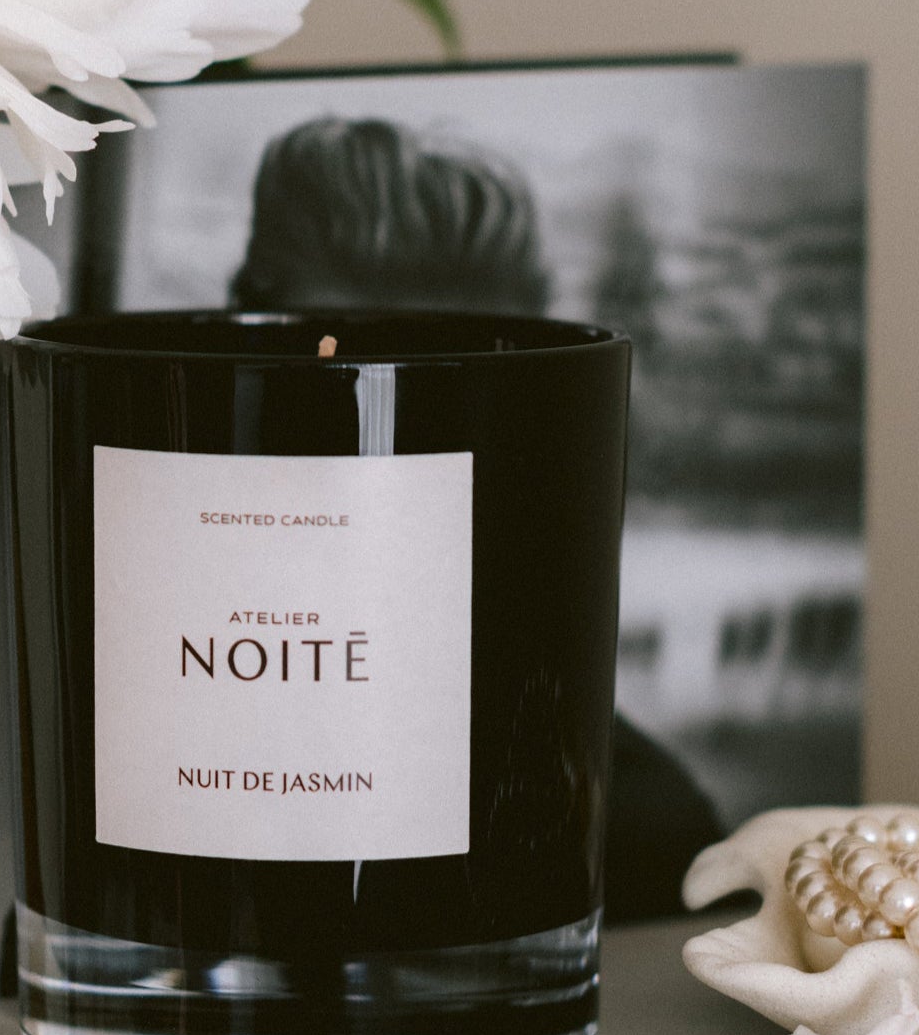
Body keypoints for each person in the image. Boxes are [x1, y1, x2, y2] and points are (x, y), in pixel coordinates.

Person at [229, 117, 721, 922]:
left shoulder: (639, 831)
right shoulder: (144, 783)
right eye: (330, 392)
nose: (377, 461)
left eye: (435, 408)